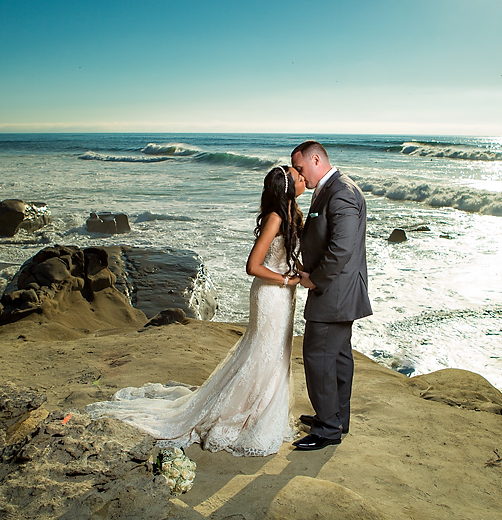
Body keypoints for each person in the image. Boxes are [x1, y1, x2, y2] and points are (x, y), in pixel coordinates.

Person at [86, 165, 307, 456]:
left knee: (278, 355)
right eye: (297, 176)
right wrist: (288, 280)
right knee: (263, 354)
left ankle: (261, 411)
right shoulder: (276, 217)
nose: (303, 178)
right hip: (270, 296)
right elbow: (252, 266)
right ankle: (243, 415)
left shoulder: (293, 215)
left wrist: (301, 275)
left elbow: (288, 256)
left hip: (284, 296)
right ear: (288, 188)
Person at [290, 140, 371, 451]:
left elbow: (341, 248)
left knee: (318, 357)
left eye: (300, 168)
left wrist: (314, 280)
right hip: (336, 291)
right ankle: (336, 418)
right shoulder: (331, 188)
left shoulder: (341, 193)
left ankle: (327, 429)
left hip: (334, 292)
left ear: (316, 159)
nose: (299, 176)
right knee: (337, 358)